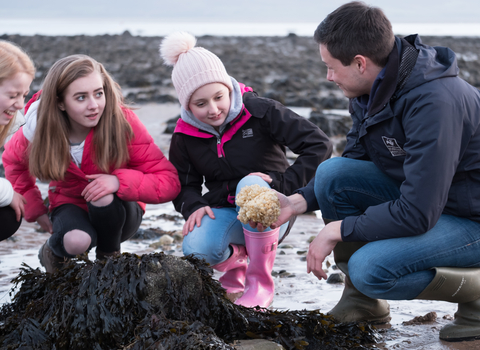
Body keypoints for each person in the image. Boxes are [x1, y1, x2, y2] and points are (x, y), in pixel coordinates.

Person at [256, 0, 480, 342]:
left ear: (360, 63)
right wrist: (298, 202)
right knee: (333, 175)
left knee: (370, 269)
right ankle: (363, 303)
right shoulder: (372, 88)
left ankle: (477, 298)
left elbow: (417, 213)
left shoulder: (435, 102)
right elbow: (356, 160)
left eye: (331, 67)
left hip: (470, 217)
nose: (328, 77)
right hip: (432, 201)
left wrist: (338, 230)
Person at [160, 32, 332, 308]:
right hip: (227, 210)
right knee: (196, 248)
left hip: (274, 209)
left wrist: (285, 186)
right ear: (187, 105)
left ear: (229, 88)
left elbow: (319, 145)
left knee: (249, 184)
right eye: (201, 104)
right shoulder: (184, 135)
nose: (214, 109)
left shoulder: (259, 110)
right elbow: (183, 183)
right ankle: (235, 265)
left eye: (219, 97)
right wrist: (192, 206)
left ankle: (260, 282)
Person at [2, 54, 181, 273]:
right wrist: (36, 211)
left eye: (98, 93)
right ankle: (52, 253)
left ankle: (109, 259)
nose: (94, 105)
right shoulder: (37, 129)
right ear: (60, 102)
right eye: (81, 97)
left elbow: (169, 181)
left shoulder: (121, 122)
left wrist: (118, 181)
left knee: (103, 195)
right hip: (70, 205)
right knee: (76, 242)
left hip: (121, 212)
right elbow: (13, 162)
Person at [0, 41, 35, 242]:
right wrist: (7, 192)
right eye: (13, 95)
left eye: (24, 95)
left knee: (8, 216)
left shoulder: (9, 121)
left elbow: (21, 161)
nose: (20, 104)